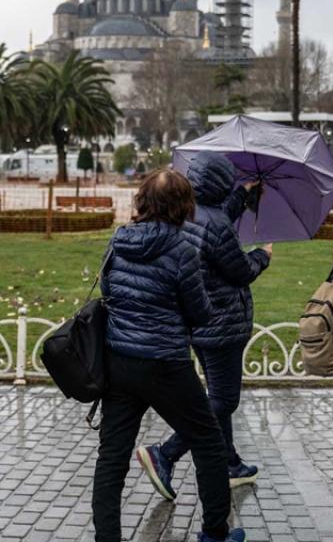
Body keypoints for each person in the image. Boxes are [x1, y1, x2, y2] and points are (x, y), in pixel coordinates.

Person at [93, 169, 244, 542]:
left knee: (112, 457)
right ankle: (215, 533)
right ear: (183, 207)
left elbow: (109, 291)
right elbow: (199, 313)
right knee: (208, 443)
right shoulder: (181, 249)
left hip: (119, 360)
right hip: (165, 363)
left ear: (142, 201)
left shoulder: (118, 240)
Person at [136, 152, 271, 500]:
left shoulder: (188, 214)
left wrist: (242, 195)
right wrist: (262, 256)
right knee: (223, 401)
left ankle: (229, 464)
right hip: (224, 324)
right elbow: (240, 270)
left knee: (217, 394)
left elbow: (218, 216)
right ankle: (164, 454)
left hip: (200, 322)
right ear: (220, 185)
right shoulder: (217, 225)